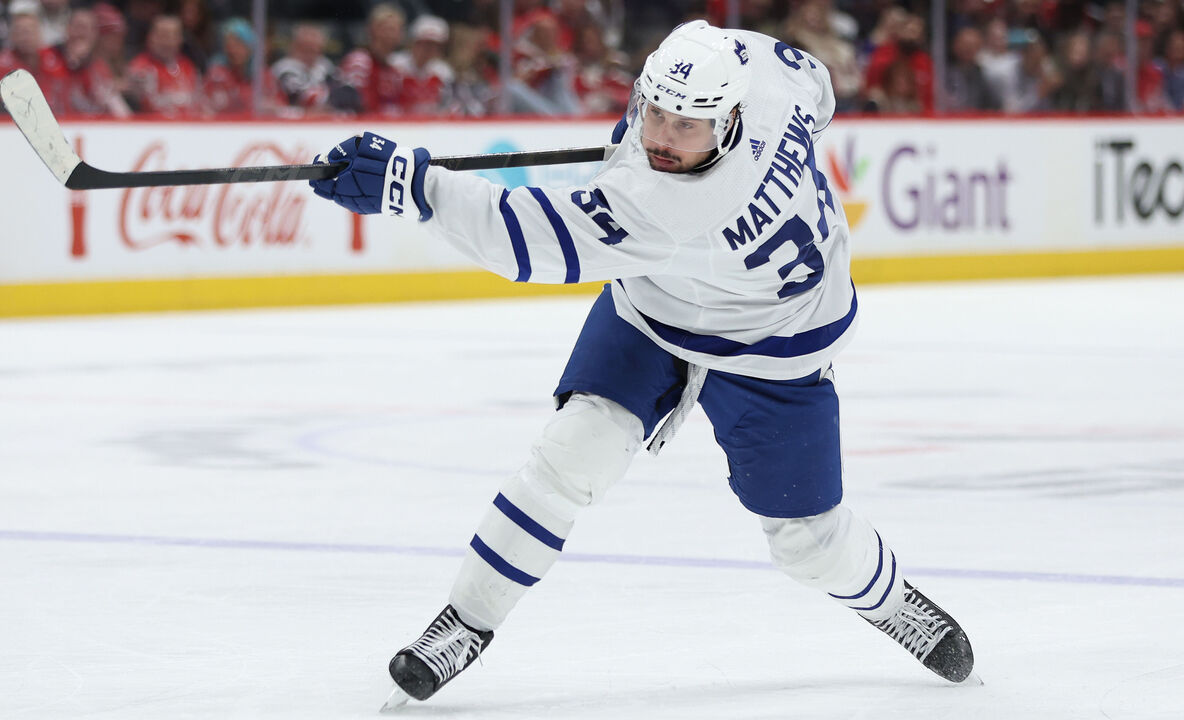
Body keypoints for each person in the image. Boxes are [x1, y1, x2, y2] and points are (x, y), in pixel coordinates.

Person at [308, 20, 977, 708]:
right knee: (571, 455)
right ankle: (466, 622)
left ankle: (892, 599)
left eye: (686, 126)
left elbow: (522, 239)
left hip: (772, 343)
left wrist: (410, 187)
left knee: (809, 544)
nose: (660, 136)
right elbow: (817, 84)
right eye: (655, 111)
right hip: (656, 308)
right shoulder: (762, 71)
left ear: (730, 118)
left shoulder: (666, 206)